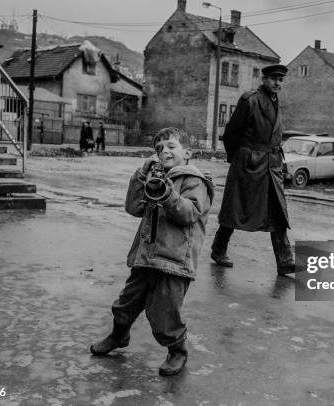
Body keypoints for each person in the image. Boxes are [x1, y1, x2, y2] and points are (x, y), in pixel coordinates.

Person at [90, 127, 215, 376]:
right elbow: (133, 208)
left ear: (187, 153)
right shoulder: (155, 176)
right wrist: (141, 176)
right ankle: (119, 335)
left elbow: (189, 214)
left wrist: (167, 193)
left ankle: (177, 351)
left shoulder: (194, 181)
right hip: (146, 257)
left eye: (171, 146)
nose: (164, 152)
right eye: (159, 149)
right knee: (126, 302)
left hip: (174, 262)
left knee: (164, 312)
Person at [210, 64, 295, 275]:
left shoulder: (276, 103)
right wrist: (239, 158)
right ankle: (218, 250)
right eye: (274, 79)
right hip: (249, 163)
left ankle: (285, 260)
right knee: (235, 209)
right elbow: (231, 134)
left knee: (277, 212)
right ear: (264, 79)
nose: (277, 83)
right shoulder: (250, 100)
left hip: (271, 165)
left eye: (280, 80)